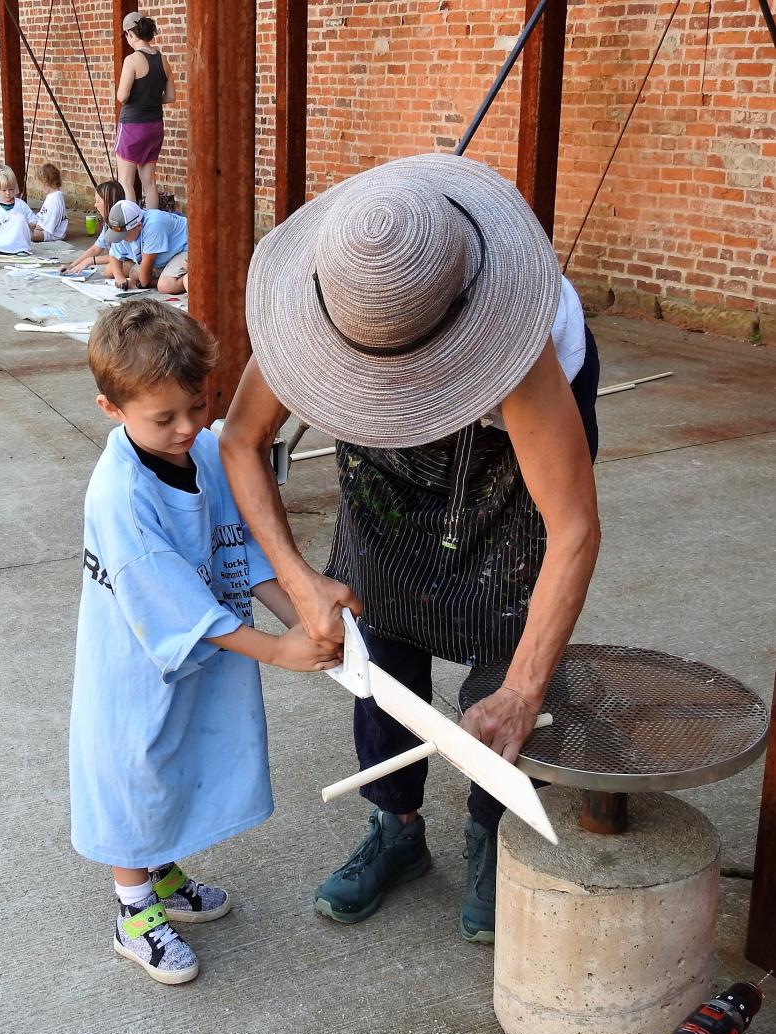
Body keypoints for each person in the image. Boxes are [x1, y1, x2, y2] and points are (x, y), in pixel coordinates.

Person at [219, 153, 601, 944]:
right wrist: (301, 580)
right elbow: (241, 442)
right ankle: (396, 828)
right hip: (388, 499)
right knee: (377, 630)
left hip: (507, 485)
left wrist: (526, 688)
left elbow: (571, 529)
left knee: (508, 642)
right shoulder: (329, 299)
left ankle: (490, 829)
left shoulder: (523, 352)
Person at [70, 299, 340, 985]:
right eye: (165, 418)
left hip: (201, 651)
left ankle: (161, 876)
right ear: (112, 408)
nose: (188, 427)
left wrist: (299, 611)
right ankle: (133, 912)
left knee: (179, 762)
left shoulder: (207, 451)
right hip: (138, 666)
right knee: (136, 772)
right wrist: (280, 652)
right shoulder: (119, 496)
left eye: (197, 406)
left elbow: (239, 547)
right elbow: (177, 608)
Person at [115, 12, 173, 208]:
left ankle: (132, 230)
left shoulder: (131, 60)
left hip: (133, 125)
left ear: (131, 34)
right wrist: (151, 99)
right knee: (149, 183)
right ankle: (152, 229)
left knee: (126, 182)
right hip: (155, 125)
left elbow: (122, 96)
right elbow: (170, 96)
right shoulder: (162, 60)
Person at [102, 199, 189, 295]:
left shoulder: (154, 225)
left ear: (139, 226)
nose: (121, 239)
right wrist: (120, 278)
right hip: (167, 254)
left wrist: (139, 284)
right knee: (133, 274)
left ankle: (187, 277)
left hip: (186, 248)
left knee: (165, 286)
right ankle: (163, 277)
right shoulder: (126, 228)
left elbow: (145, 276)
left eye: (124, 235)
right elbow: (114, 255)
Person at [61, 179, 126, 275]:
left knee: (110, 270)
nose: (95, 205)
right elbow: (96, 248)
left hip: (135, 260)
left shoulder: (123, 222)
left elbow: (121, 256)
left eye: (98, 201)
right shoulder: (108, 224)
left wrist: (91, 261)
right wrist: (72, 266)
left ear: (108, 202)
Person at [0, 166, 36, 254]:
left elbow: (32, 219)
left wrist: (31, 224)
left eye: (11, 189)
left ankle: (20, 248)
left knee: (20, 218)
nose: (8, 193)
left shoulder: (21, 205)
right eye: (4, 190)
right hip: (1, 237)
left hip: (18, 240)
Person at [31, 162, 67, 243]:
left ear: (45, 181)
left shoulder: (55, 199)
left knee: (26, 234)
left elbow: (48, 225)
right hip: (43, 228)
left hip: (52, 233)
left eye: (40, 183)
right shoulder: (52, 196)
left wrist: (32, 227)